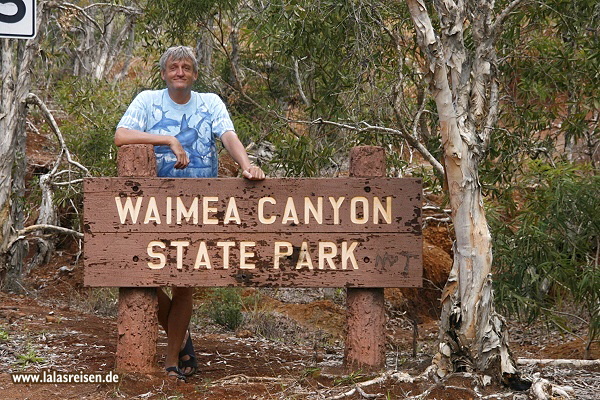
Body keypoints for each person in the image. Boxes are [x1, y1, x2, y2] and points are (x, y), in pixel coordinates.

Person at [114, 46, 265, 381]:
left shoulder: (210, 102)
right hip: (152, 207)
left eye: (186, 68)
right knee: (142, 275)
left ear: (194, 74)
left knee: (184, 283)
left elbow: (227, 135)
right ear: (164, 73)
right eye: (173, 67)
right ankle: (180, 336)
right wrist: (167, 139)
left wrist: (247, 165)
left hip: (199, 206)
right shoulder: (147, 101)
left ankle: (171, 361)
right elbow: (121, 135)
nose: (179, 72)